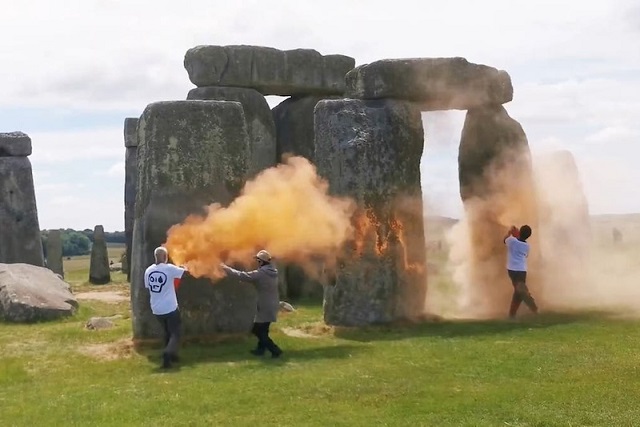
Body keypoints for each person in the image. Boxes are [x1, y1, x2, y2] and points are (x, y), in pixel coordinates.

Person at [220, 250, 283, 358]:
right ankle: (260, 350)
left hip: (264, 305)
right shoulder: (273, 271)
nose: (257, 262)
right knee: (264, 329)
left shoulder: (261, 273)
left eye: (258, 260)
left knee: (257, 330)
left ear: (261, 261)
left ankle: (275, 350)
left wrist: (225, 268)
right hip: (272, 303)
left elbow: (241, 275)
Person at [144, 246, 187, 369]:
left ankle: (172, 356)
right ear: (164, 257)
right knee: (176, 333)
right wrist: (184, 266)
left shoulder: (148, 271)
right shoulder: (169, 268)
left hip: (156, 309)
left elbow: (148, 287)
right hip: (170, 308)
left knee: (167, 332)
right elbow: (184, 272)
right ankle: (167, 354)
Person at [503, 225, 539, 319]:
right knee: (520, 291)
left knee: (519, 291)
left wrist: (510, 233)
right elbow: (525, 255)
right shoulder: (527, 246)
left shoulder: (512, 241)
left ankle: (514, 314)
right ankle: (532, 309)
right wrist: (516, 236)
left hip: (512, 270)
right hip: (522, 270)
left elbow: (505, 240)